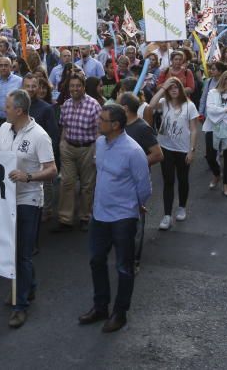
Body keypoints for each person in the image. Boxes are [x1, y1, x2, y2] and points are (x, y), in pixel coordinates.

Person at [0, 89, 55, 328]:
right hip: (6, 200)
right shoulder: (3, 129)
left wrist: (28, 176)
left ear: (19, 110)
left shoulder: (40, 136)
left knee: (22, 254)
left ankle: (20, 306)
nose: (3, 110)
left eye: (8, 107)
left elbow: (52, 170)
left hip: (28, 200)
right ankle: (28, 287)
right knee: (13, 252)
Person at [78, 105, 152, 333]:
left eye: (102, 119)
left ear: (116, 125)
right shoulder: (100, 143)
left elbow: (144, 186)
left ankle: (120, 313)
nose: (97, 122)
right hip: (100, 215)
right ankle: (100, 306)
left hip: (123, 218)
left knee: (123, 267)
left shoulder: (134, 151)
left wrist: (137, 206)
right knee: (96, 261)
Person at [145, 77, 200, 229]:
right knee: (168, 181)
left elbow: (194, 129)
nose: (174, 90)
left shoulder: (190, 106)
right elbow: (151, 106)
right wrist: (163, 88)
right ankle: (167, 215)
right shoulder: (164, 103)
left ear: (181, 89)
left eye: (176, 87)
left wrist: (192, 150)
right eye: (171, 88)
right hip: (166, 147)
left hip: (183, 149)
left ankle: (182, 206)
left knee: (183, 179)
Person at [117, 93, 162, 274]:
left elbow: (158, 154)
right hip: (118, 183)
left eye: (119, 104)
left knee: (135, 221)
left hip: (136, 183)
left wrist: (135, 164)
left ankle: (134, 260)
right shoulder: (118, 127)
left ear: (125, 108)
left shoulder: (142, 128)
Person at [55, 74, 103, 232]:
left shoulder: (94, 105)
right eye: (72, 86)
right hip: (68, 147)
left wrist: (97, 153)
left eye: (78, 86)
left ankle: (85, 216)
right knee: (66, 183)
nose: (74, 89)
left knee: (87, 186)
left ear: (83, 87)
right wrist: (62, 144)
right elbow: (64, 126)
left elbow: (99, 132)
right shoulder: (67, 104)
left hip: (87, 149)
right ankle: (65, 218)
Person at [203, 71, 227, 197]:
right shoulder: (212, 93)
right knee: (210, 155)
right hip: (212, 128)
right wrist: (225, 110)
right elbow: (210, 110)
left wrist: (220, 115)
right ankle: (216, 174)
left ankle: (226, 185)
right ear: (224, 79)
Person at [0, 56, 23, 128]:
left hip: (14, 120)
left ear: (10, 67)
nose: (3, 68)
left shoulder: (19, 81)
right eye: (1, 65)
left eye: (6, 65)